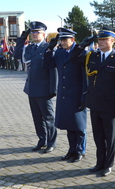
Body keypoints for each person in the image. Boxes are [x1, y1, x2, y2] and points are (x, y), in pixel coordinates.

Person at [70, 26, 115, 176]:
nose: (101, 42)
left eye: (104, 39)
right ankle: (99, 162)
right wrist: (82, 45)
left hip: (110, 105)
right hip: (94, 103)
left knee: (110, 137)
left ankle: (108, 165)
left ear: (112, 41)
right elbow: (73, 59)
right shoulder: (92, 56)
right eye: (99, 39)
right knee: (98, 136)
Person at [44, 28, 87, 162]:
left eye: (65, 39)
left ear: (73, 40)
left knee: (79, 126)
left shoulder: (81, 53)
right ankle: (72, 150)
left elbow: (85, 77)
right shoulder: (60, 53)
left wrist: (84, 95)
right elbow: (48, 64)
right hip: (64, 94)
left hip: (77, 94)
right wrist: (49, 50)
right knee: (69, 125)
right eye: (61, 39)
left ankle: (80, 151)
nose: (62, 42)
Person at [14, 21, 57, 153]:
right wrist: (21, 39)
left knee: (48, 118)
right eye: (32, 32)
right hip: (31, 88)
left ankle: (51, 142)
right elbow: (16, 56)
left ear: (43, 34)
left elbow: (53, 70)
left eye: (36, 32)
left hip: (44, 89)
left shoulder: (48, 47)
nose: (34, 34)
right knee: (37, 118)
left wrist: (53, 89)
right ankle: (41, 140)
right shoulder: (30, 48)